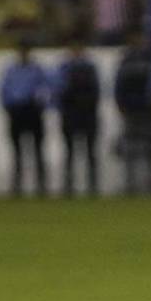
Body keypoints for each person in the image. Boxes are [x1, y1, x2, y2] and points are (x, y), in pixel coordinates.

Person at [0, 38, 52, 197]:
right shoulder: (11, 70)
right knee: (17, 151)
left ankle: (41, 185)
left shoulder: (37, 69)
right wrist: (8, 106)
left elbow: (46, 89)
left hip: (33, 110)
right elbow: (4, 91)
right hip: (16, 111)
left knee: (37, 150)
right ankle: (17, 185)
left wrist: (41, 104)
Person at [56, 38, 101, 197]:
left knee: (90, 151)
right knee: (70, 152)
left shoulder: (90, 68)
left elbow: (97, 92)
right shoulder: (63, 68)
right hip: (70, 113)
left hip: (87, 113)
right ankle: (69, 186)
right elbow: (58, 91)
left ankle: (93, 185)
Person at [114, 27, 151, 194]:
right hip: (130, 109)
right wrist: (121, 104)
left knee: (149, 147)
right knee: (130, 148)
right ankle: (130, 183)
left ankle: (149, 181)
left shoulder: (150, 58)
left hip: (147, 109)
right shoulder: (125, 60)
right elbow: (119, 86)